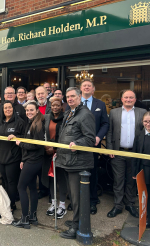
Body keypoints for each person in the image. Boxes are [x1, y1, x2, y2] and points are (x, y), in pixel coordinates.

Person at [56, 87, 96, 239]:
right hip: (67, 161)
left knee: (77, 198)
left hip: (78, 162)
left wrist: (76, 143)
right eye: (68, 97)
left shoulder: (85, 115)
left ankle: (76, 227)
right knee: (73, 197)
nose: (70, 99)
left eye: (73, 96)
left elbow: (90, 139)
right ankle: (76, 221)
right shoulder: (69, 112)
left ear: (80, 97)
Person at [106, 90, 146, 218]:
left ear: (135, 100)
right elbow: (110, 131)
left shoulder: (142, 112)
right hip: (118, 152)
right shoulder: (113, 112)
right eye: (126, 97)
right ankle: (118, 205)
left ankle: (130, 204)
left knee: (132, 180)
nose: (128, 99)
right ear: (122, 99)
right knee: (118, 180)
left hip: (135, 154)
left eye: (131, 97)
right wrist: (110, 149)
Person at [10, 101, 45, 229]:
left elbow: (36, 145)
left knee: (21, 187)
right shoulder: (31, 123)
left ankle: (24, 218)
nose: (29, 112)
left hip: (34, 160)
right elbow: (28, 141)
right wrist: (23, 160)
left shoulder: (38, 124)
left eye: (31, 110)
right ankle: (32, 216)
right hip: (29, 159)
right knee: (32, 188)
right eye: (27, 110)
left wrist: (20, 144)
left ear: (37, 110)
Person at [79, 79, 109, 215]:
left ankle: (92, 200)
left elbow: (105, 124)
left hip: (93, 145)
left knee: (92, 173)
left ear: (93, 89)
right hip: (77, 145)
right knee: (77, 173)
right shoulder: (74, 102)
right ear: (81, 88)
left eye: (89, 86)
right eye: (84, 85)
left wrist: (98, 137)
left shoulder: (100, 104)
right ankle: (77, 201)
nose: (86, 87)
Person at [0, 100, 25, 211]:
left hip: (13, 157)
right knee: (4, 180)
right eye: (5, 108)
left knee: (11, 182)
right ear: (2, 110)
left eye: (9, 107)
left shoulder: (19, 122)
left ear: (13, 109)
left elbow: (24, 137)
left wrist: (16, 136)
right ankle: (5, 202)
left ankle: (11, 204)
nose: (7, 110)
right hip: (0, 156)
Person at [41, 98, 68, 219]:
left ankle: (62, 205)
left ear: (61, 106)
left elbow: (66, 136)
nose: (55, 107)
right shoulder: (47, 117)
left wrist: (56, 149)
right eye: (53, 105)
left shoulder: (66, 118)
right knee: (51, 178)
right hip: (48, 152)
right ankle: (53, 203)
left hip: (60, 152)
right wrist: (46, 146)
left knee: (61, 178)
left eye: (57, 105)